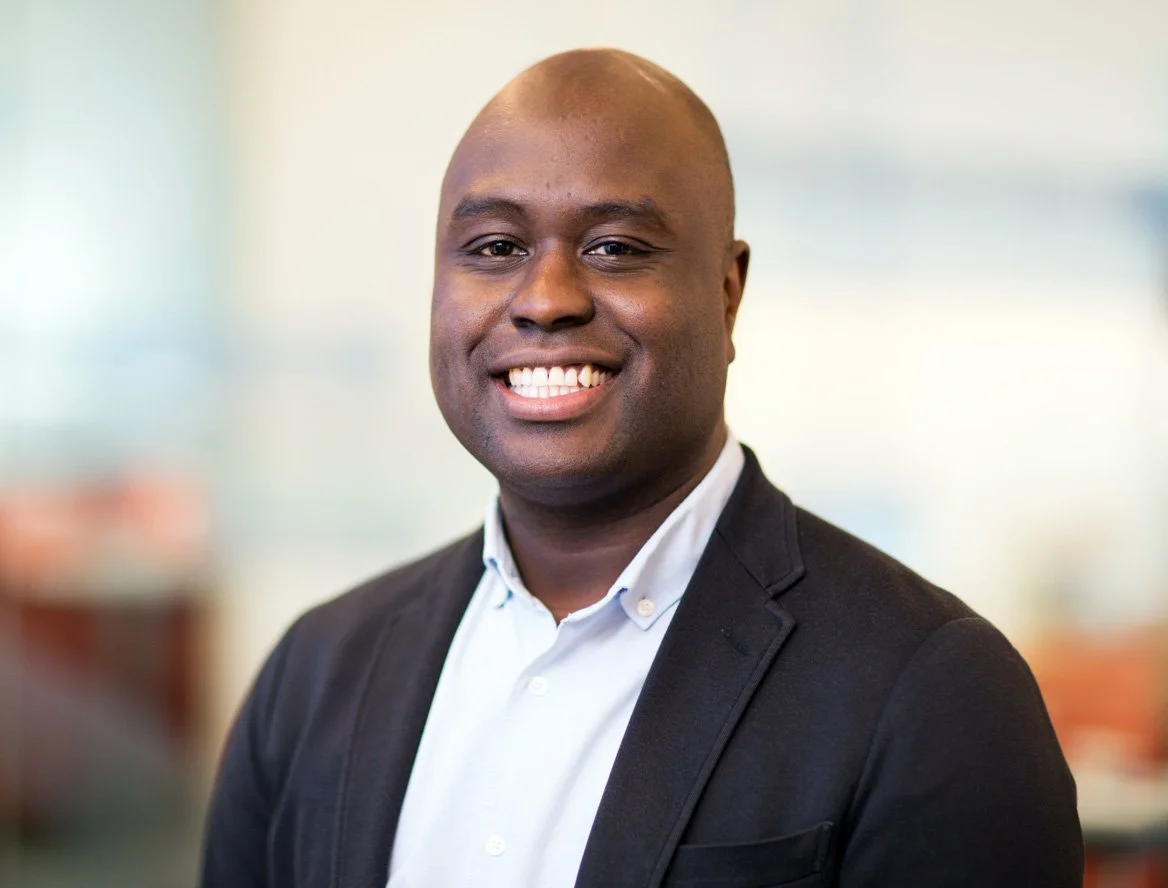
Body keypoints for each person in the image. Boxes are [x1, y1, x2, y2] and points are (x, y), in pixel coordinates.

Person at [200, 49, 1083, 888]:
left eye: (616, 247)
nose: (545, 300)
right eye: (496, 248)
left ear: (727, 293)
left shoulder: (933, 689)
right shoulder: (316, 672)